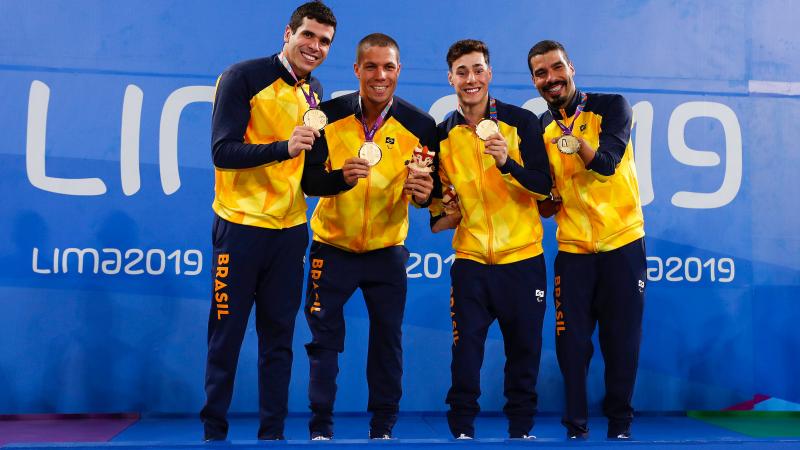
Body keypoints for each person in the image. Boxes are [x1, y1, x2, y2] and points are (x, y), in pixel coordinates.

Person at [200, 1, 337, 441]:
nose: (315, 47)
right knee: (226, 336)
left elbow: (311, 178)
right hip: (240, 227)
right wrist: (282, 147)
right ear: (288, 33)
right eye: (308, 36)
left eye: (324, 41)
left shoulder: (314, 91)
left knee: (279, 340)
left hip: (290, 232)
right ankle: (213, 433)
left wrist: (346, 178)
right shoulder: (242, 77)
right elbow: (222, 151)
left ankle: (272, 435)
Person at [300, 33, 437, 440]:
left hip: (387, 252)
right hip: (332, 247)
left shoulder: (421, 125)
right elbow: (308, 182)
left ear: (399, 71)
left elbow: (428, 195)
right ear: (357, 69)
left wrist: (424, 194)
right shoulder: (327, 116)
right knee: (323, 342)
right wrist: (339, 180)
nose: (380, 75)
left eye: (389, 67)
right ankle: (320, 427)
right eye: (372, 67)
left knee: (387, 343)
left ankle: (383, 429)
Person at [429, 39, 552, 440]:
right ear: (450, 78)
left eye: (478, 69)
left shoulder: (522, 122)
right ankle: (462, 429)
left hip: (523, 259)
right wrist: (427, 201)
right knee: (465, 353)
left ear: (490, 74)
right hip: (471, 261)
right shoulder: (442, 135)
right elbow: (440, 208)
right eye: (462, 71)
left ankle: (521, 430)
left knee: (524, 352)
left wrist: (506, 163)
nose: (471, 79)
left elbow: (544, 186)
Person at [527, 40, 646, 440]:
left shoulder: (612, 106)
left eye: (556, 68)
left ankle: (620, 426)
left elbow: (609, 164)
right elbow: (546, 202)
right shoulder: (540, 129)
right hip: (573, 250)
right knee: (571, 346)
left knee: (621, 342)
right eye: (541, 73)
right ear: (534, 81)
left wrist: (576, 144)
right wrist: (547, 201)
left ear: (571, 67)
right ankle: (575, 427)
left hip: (622, 244)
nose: (551, 78)